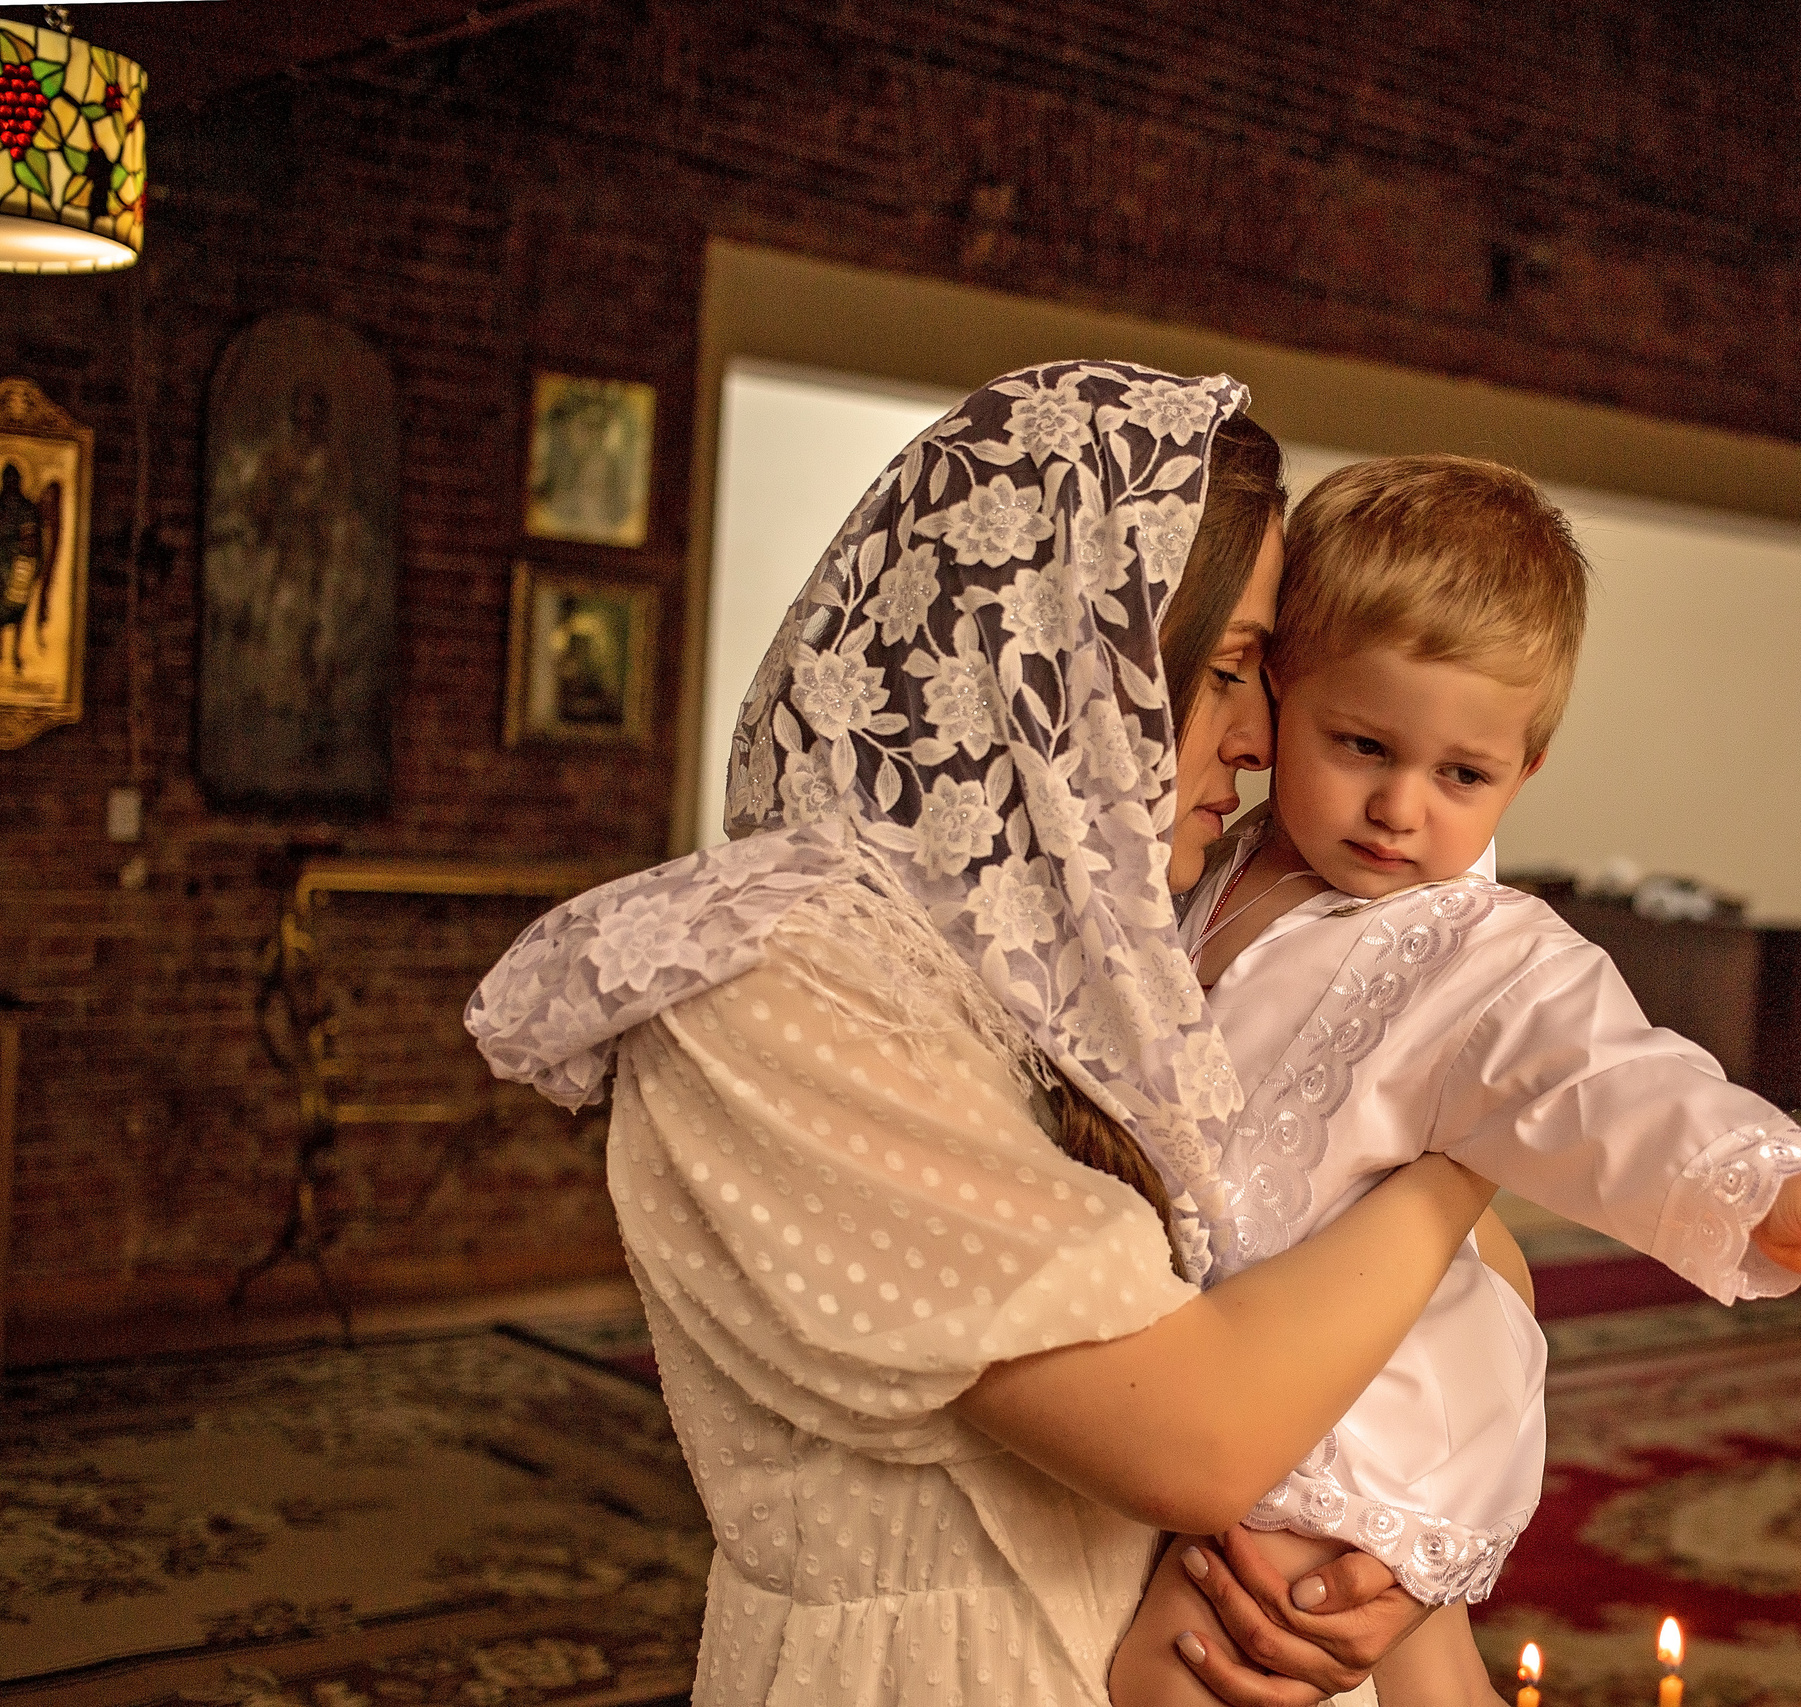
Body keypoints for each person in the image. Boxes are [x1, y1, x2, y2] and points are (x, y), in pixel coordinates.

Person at [470, 363, 1502, 1707]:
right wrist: (1476, 1120)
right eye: (1227, 670)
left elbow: (1472, 1290)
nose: (1259, 739)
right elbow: (1198, 1436)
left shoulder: (1128, 955)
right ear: (1054, 662)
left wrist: (1403, 1544)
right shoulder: (771, 980)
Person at [1110, 456, 1801, 1706]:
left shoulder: (1483, 952)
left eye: (1461, 775)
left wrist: (1779, 1185)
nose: (1399, 808)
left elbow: (1610, 1081)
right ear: (1281, 696)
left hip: (1365, 1400)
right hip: (1233, 1354)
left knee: (1187, 1665)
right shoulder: (1214, 866)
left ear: (1525, 768)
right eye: (1361, 745)